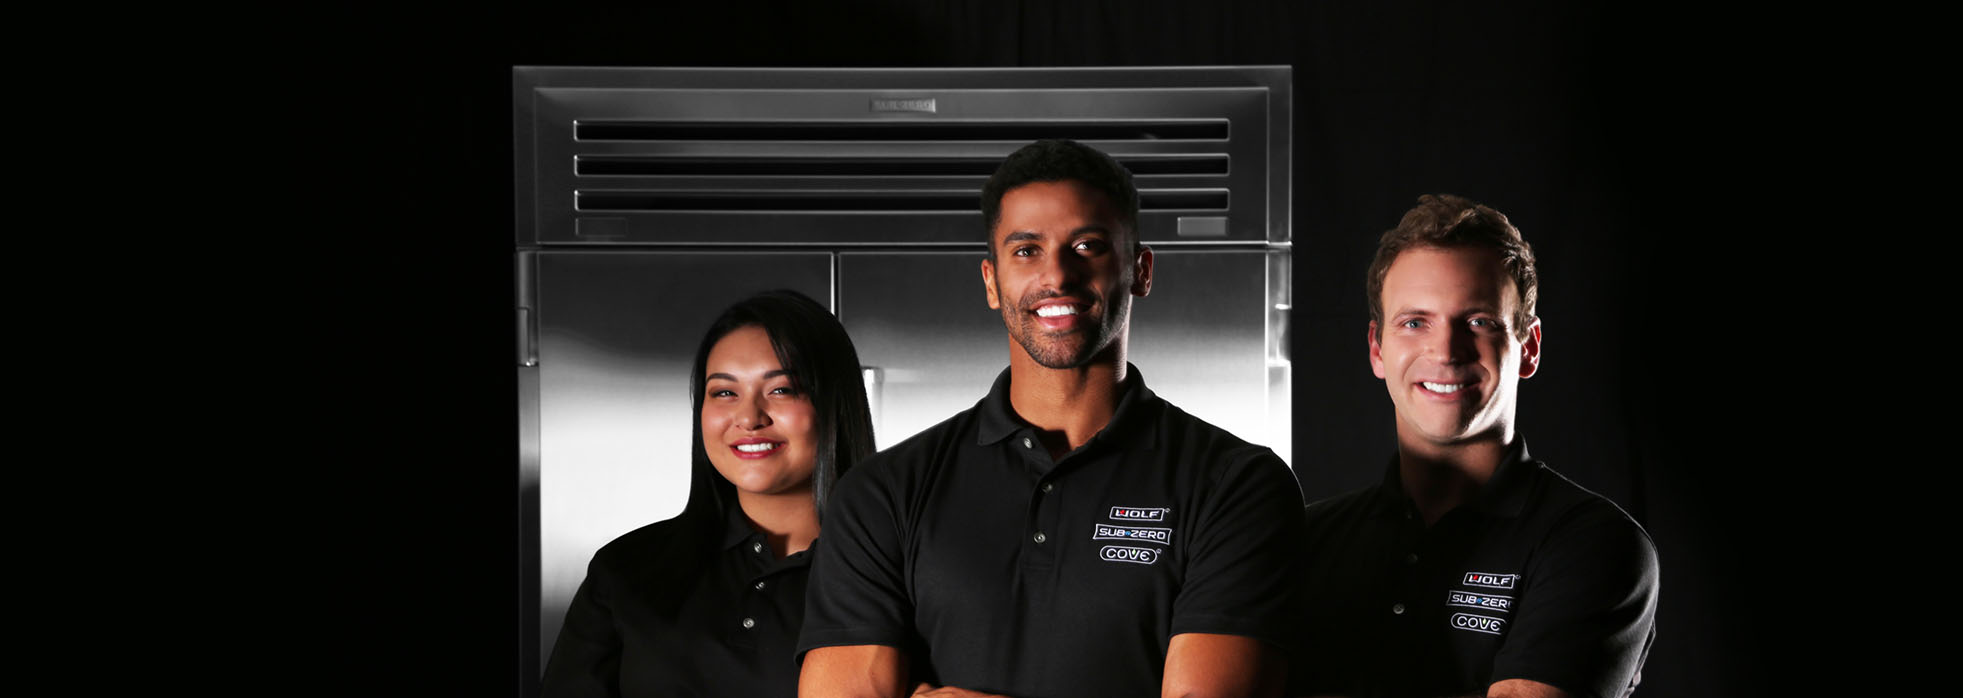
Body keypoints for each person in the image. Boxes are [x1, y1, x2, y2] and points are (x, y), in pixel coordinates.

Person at [798, 139, 1305, 698]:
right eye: (1026, 251)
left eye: (1087, 245)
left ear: (1140, 269)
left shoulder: (1236, 486)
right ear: (991, 282)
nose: (1057, 276)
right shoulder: (883, 494)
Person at [1290, 195, 1659, 698]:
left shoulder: (1594, 546)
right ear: (1378, 349)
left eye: (1479, 322)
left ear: (1528, 347)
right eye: (1415, 322)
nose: (1444, 351)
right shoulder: (1306, 540)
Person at [543, 289, 877, 698]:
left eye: (782, 389)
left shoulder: (901, 577)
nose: (749, 418)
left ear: (835, 405)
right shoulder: (628, 569)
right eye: (724, 392)